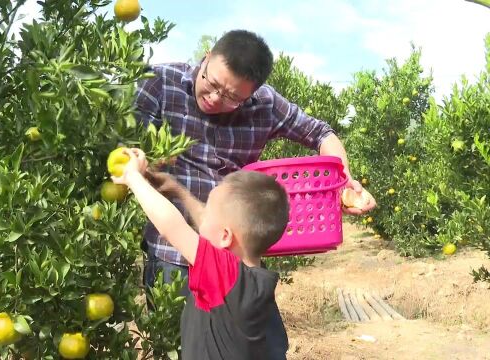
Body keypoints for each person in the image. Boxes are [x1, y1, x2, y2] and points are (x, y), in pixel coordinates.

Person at [133, 29, 376, 293]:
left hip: (235, 261)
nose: (215, 98)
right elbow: (124, 143)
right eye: (211, 83)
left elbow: (321, 134)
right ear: (206, 58)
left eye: (232, 97)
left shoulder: (266, 104)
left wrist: (344, 182)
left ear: (253, 94)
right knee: (179, 335)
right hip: (172, 255)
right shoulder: (160, 82)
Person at [113, 148, 290, 359]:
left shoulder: (228, 277)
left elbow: (172, 227)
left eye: (207, 213)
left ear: (226, 236)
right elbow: (213, 228)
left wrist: (133, 177)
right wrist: (178, 191)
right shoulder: (249, 277)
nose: (201, 215)